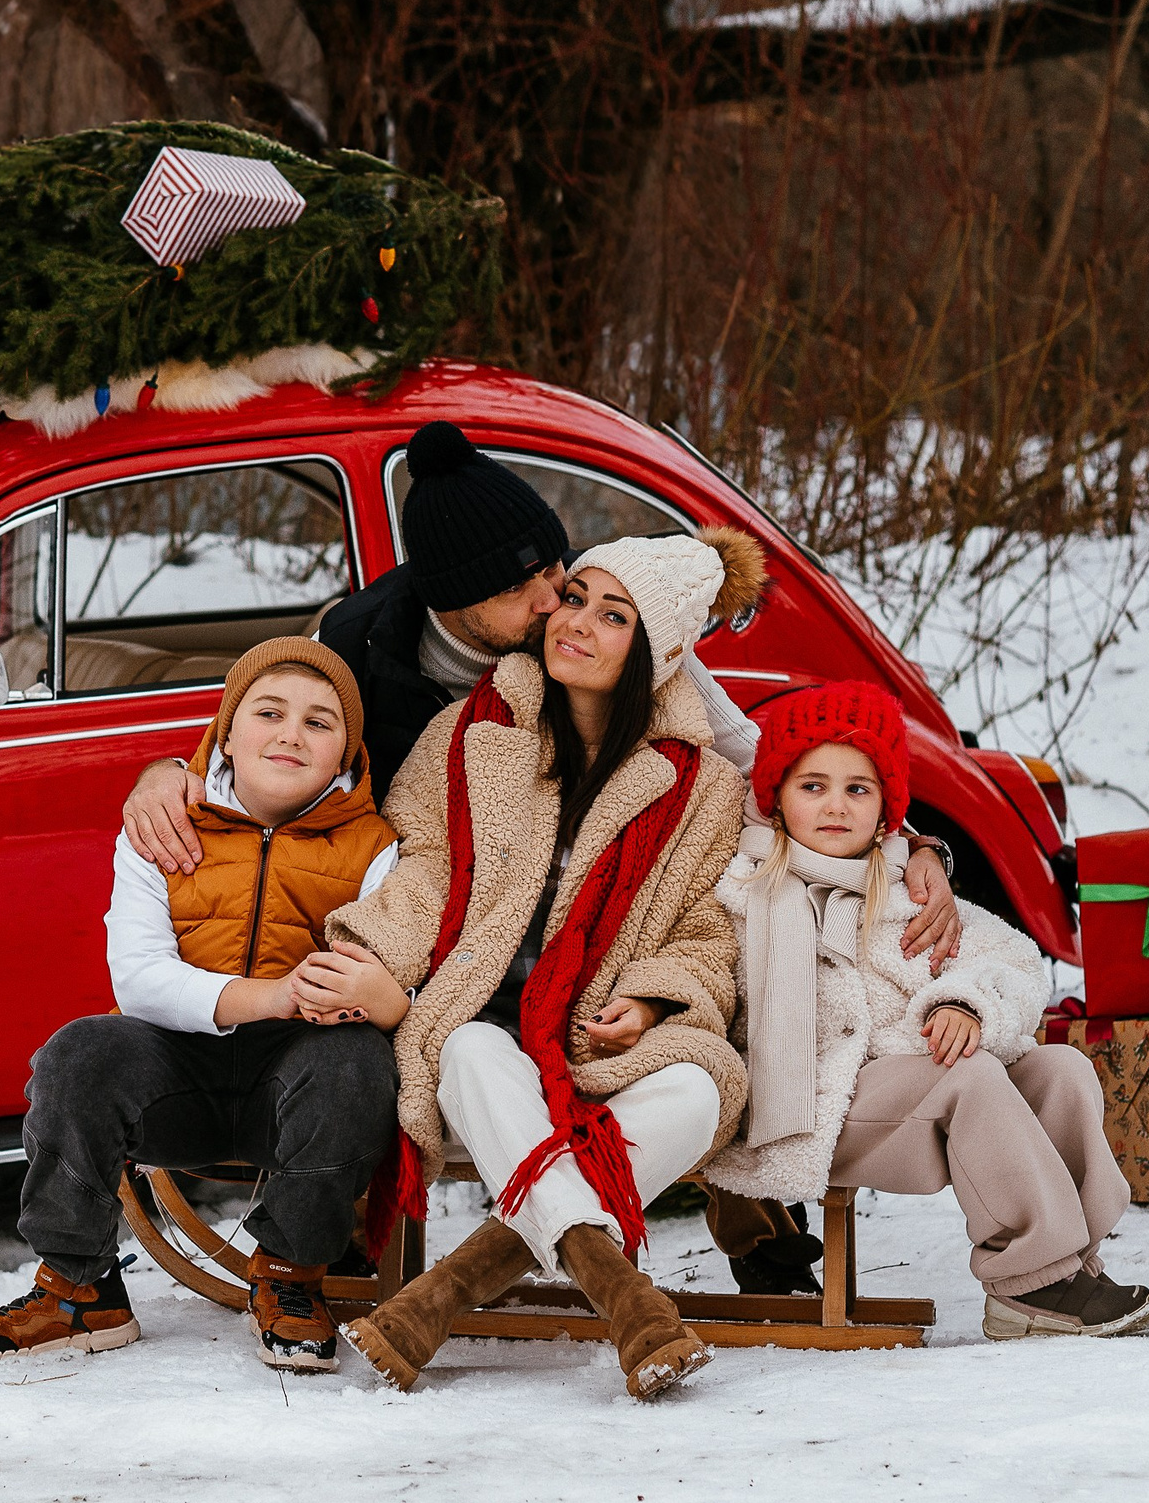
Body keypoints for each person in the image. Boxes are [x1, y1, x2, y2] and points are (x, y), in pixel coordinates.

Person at [117, 420, 967, 1293]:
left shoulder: (597, 628)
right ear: (459, 597)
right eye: (531, 586)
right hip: (456, 938)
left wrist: (907, 845)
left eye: (559, 571)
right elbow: (272, 736)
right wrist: (166, 773)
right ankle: (373, 1225)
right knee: (458, 1033)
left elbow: (761, 766)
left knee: (718, 943)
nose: (557, 599)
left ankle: (728, 1214)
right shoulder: (367, 652)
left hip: (607, 936)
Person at [308, 532, 756, 1399]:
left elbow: (707, 933)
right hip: (488, 1025)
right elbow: (424, 863)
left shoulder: (702, 785)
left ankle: (441, 1293)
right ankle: (626, 1297)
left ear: (654, 653)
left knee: (705, 1087)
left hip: (597, 1040)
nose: (575, 621)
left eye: (612, 615)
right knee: (470, 1051)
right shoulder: (474, 731)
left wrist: (654, 1003)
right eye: (576, 595)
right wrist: (370, 955)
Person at [0, 640, 404, 1373]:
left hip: (298, 1079)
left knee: (357, 1065)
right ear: (226, 726)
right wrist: (272, 994)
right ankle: (79, 1287)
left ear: (347, 750)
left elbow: (382, 970)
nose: (291, 733)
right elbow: (141, 979)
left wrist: (379, 997)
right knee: (78, 1053)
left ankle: (290, 1274)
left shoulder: (375, 848)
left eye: (320, 722)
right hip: (178, 1071)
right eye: (270, 711)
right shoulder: (164, 823)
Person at [704, 682, 1149, 1339]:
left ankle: (1073, 1264)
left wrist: (964, 999)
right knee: (968, 1075)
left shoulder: (905, 886)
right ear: (775, 794)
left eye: (858, 789)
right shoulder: (743, 889)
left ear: (887, 807)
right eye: (813, 787)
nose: (836, 806)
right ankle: (1030, 1283)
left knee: (1061, 1070)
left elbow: (1010, 958)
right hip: (806, 1100)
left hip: (904, 1087)